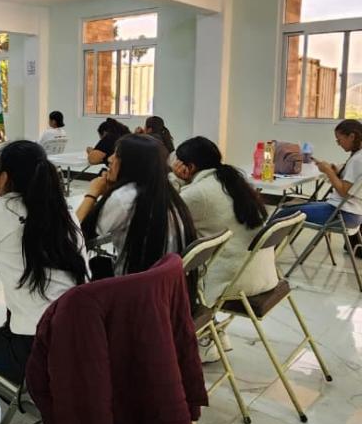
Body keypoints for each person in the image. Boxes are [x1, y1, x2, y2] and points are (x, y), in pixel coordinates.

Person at [0, 140, 88, 394]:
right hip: (82, 336)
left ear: (3, 177)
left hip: (36, 347)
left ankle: (26, 395)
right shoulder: (64, 210)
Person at [173, 136, 274, 306]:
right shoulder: (232, 181)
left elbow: (168, 215)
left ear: (189, 167)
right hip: (262, 275)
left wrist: (175, 180)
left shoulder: (198, 193)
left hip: (231, 283)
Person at [77, 134, 195, 276]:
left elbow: (76, 234)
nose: (110, 159)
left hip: (133, 283)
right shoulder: (166, 193)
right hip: (164, 281)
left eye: (116, 155)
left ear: (132, 164)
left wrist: (92, 193)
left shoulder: (123, 198)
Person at [274, 119, 362, 229]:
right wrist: (336, 171)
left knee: (282, 215)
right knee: (292, 207)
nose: (339, 144)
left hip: (343, 214)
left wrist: (328, 171)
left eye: (339, 140)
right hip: (350, 212)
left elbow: (344, 192)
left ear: (352, 136)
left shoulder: (357, 160)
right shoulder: (358, 156)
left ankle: (263, 239)